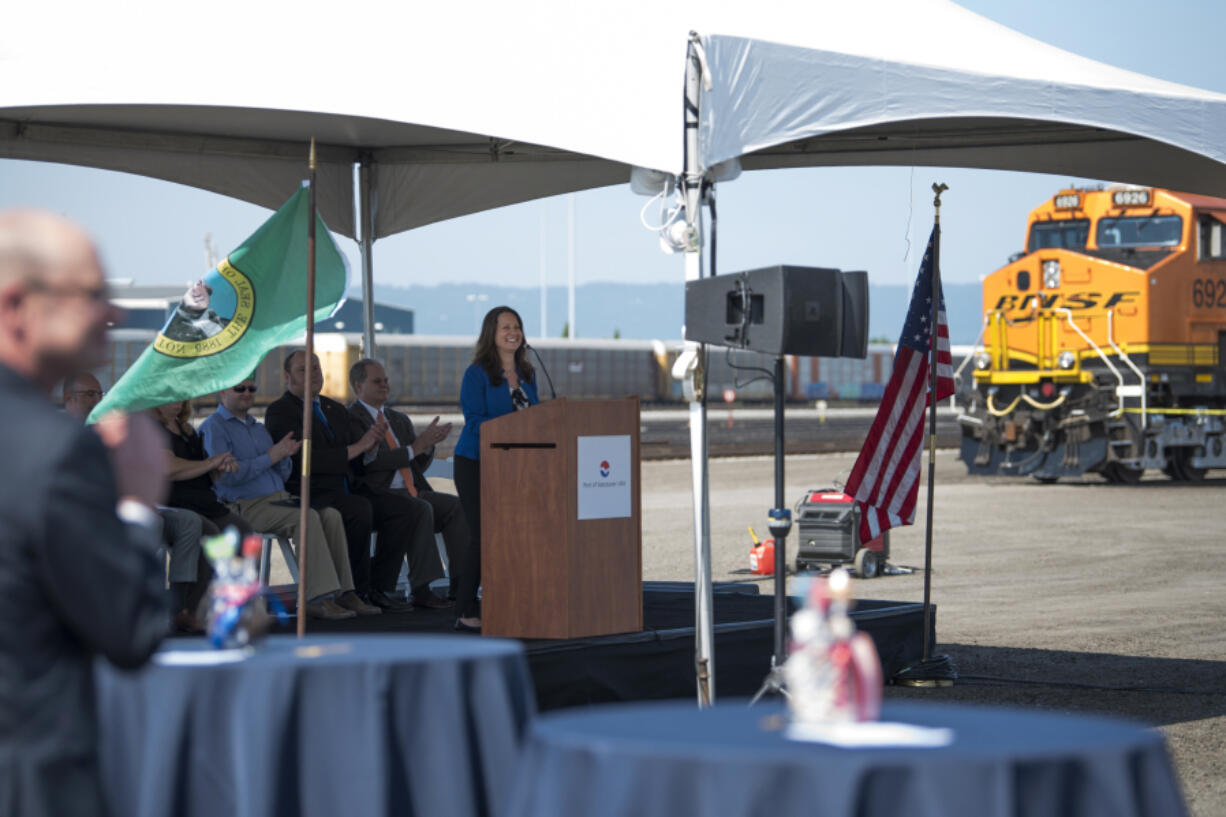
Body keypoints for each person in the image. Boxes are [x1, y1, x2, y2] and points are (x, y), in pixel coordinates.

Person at [0, 209, 169, 817]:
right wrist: (136, 503)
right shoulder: (52, 448)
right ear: (16, 305)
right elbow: (129, 629)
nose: (114, 313)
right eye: (91, 293)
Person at [267, 350, 449, 611]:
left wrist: (371, 448)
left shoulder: (333, 409)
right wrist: (360, 446)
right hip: (310, 489)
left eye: (317, 368)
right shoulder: (280, 411)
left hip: (349, 487)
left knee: (406, 509)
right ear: (287, 377)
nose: (314, 374)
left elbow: (356, 460)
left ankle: (380, 586)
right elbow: (305, 461)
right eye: (304, 370)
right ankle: (356, 591)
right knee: (358, 509)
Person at [200, 377, 377, 619]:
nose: (247, 393)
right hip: (244, 505)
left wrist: (284, 457)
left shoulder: (257, 428)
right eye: (239, 388)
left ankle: (345, 593)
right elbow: (227, 478)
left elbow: (279, 471)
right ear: (222, 391)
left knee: (331, 515)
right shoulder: (214, 427)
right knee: (307, 517)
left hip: (279, 498)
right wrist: (271, 457)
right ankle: (316, 598)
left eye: (252, 388)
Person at [347, 358, 469, 609]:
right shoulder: (351, 419)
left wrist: (427, 446)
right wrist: (415, 447)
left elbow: (415, 466)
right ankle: (422, 589)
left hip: (413, 489)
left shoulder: (399, 419)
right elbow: (370, 463)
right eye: (377, 381)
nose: (385, 385)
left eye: (386, 380)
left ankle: (461, 585)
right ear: (358, 386)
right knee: (419, 508)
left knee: (457, 507)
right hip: (379, 495)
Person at [453, 306, 540, 631]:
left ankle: (508, 600)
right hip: (476, 463)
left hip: (516, 469)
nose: (513, 332)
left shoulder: (528, 374)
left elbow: (538, 419)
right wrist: (514, 429)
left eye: (516, 326)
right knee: (482, 536)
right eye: (505, 327)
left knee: (514, 534)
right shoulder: (476, 374)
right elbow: (474, 421)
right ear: (492, 333)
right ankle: (464, 609)